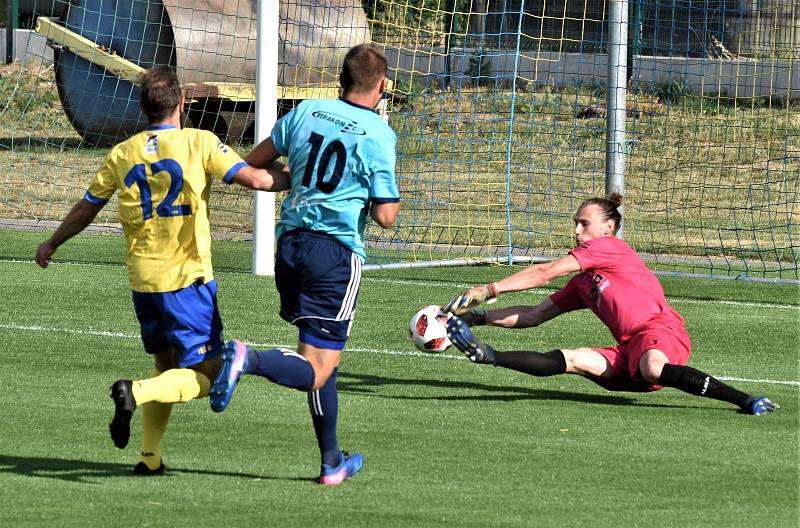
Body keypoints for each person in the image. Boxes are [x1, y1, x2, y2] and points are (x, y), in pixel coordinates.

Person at [35, 66, 290, 475]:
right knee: (208, 374)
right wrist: (296, 178)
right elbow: (258, 179)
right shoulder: (199, 142)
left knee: (166, 365)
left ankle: (149, 458)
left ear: (142, 107)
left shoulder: (122, 153)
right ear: (182, 103)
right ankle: (134, 392)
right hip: (188, 282)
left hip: (144, 283)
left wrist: (52, 242)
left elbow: (87, 206)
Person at [208, 43, 400, 486]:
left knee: (319, 358)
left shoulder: (306, 111)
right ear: (383, 86)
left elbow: (252, 164)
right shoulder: (378, 134)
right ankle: (246, 358)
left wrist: (299, 178)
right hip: (333, 254)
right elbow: (386, 217)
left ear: (341, 80)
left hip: (290, 245)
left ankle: (331, 461)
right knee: (317, 368)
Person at [444, 193, 777, 416]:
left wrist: (490, 288)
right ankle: (488, 356)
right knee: (575, 359)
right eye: (575, 223)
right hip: (628, 349)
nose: (576, 230)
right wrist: (476, 317)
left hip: (659, 332)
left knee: (652, 367)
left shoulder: (609, 248)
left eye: (583, 223)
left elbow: (545, 272)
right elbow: (533, 315)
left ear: (609, 227)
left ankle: (743, 399)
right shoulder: (584, 281)